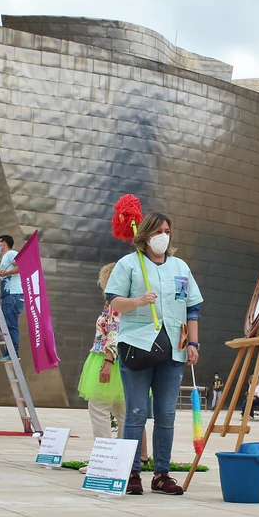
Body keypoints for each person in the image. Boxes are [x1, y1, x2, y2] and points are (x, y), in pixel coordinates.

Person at [106, 211, 203, 496]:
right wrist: (138, 301)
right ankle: (131, 472)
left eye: (167, 231)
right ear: (146, 235)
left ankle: (161, 474)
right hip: (138, 345)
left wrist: (194, 343)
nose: (164, 236)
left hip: (174, 348)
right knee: (136, 411)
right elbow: (115, 303)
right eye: (158, 231)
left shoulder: (180, 267)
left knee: (166, 413)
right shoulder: (129, 264)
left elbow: (192, 308)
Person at [77, 263, 125, 473]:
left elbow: (114, 331)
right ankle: (121, 460)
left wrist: (107, 361)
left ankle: (104, 460)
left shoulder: (116, 303)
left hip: (108, 359)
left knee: (99, 408)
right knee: (123, 413)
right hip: (124, 361)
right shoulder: (127, 302)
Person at [0, 234, 24, 362]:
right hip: (8, 295)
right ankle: (10, 352)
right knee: (7, 325)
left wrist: (7, 272)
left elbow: (22, 266)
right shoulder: (5, 258)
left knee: (11, 325)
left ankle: (13, 353)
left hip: (13, 295)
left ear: (4, 243)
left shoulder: (11, 254)